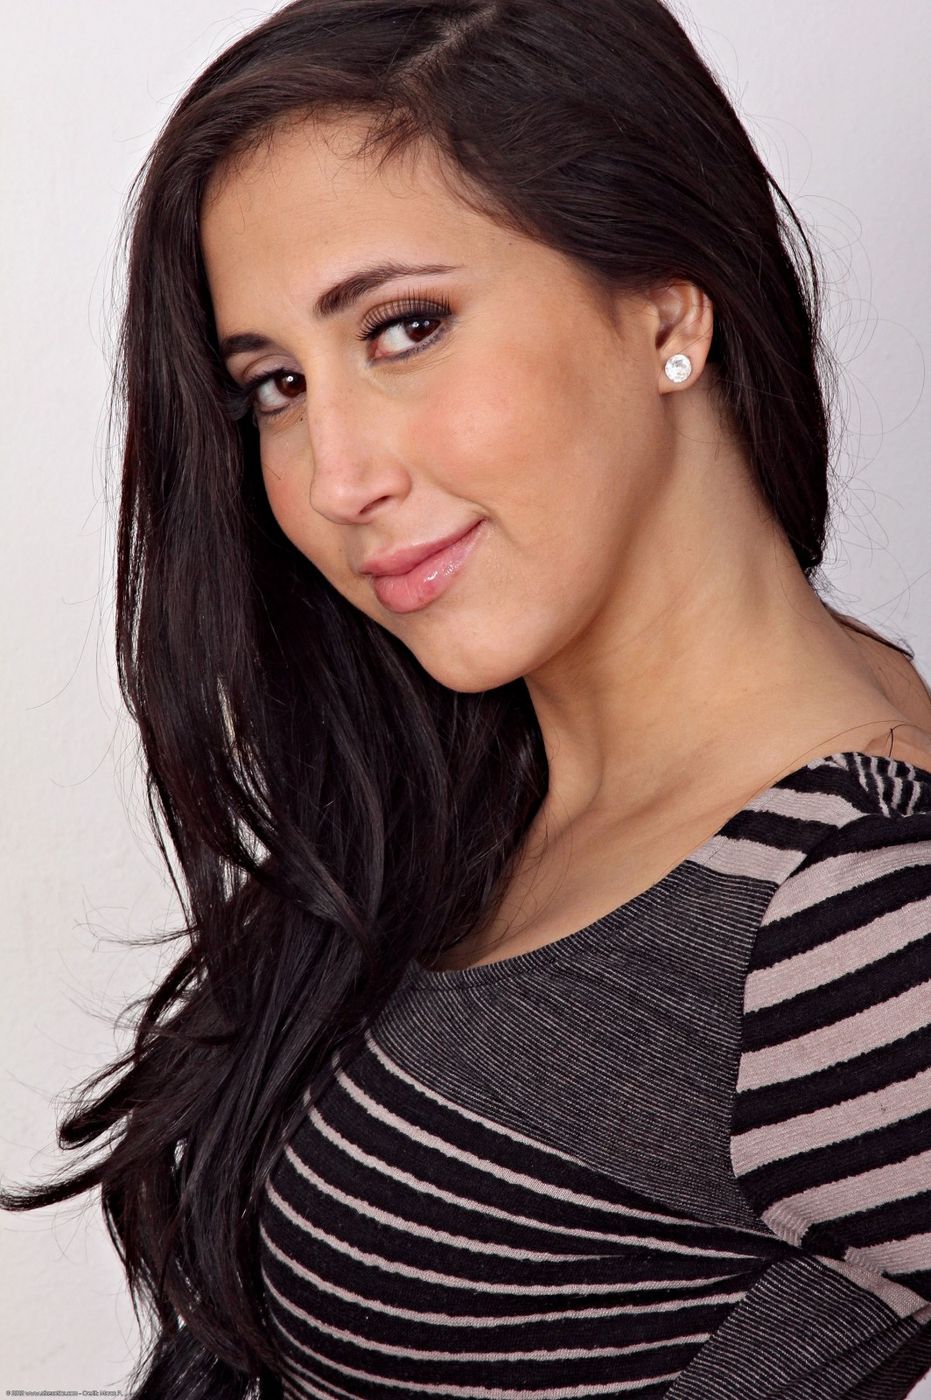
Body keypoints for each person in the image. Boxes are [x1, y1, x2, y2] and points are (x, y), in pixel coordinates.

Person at [3, 0, 930, 1395]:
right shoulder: (465, 780)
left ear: (666, 307)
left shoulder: (861, 916)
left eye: (405, 328)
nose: (334, 478)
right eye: (276, 385)